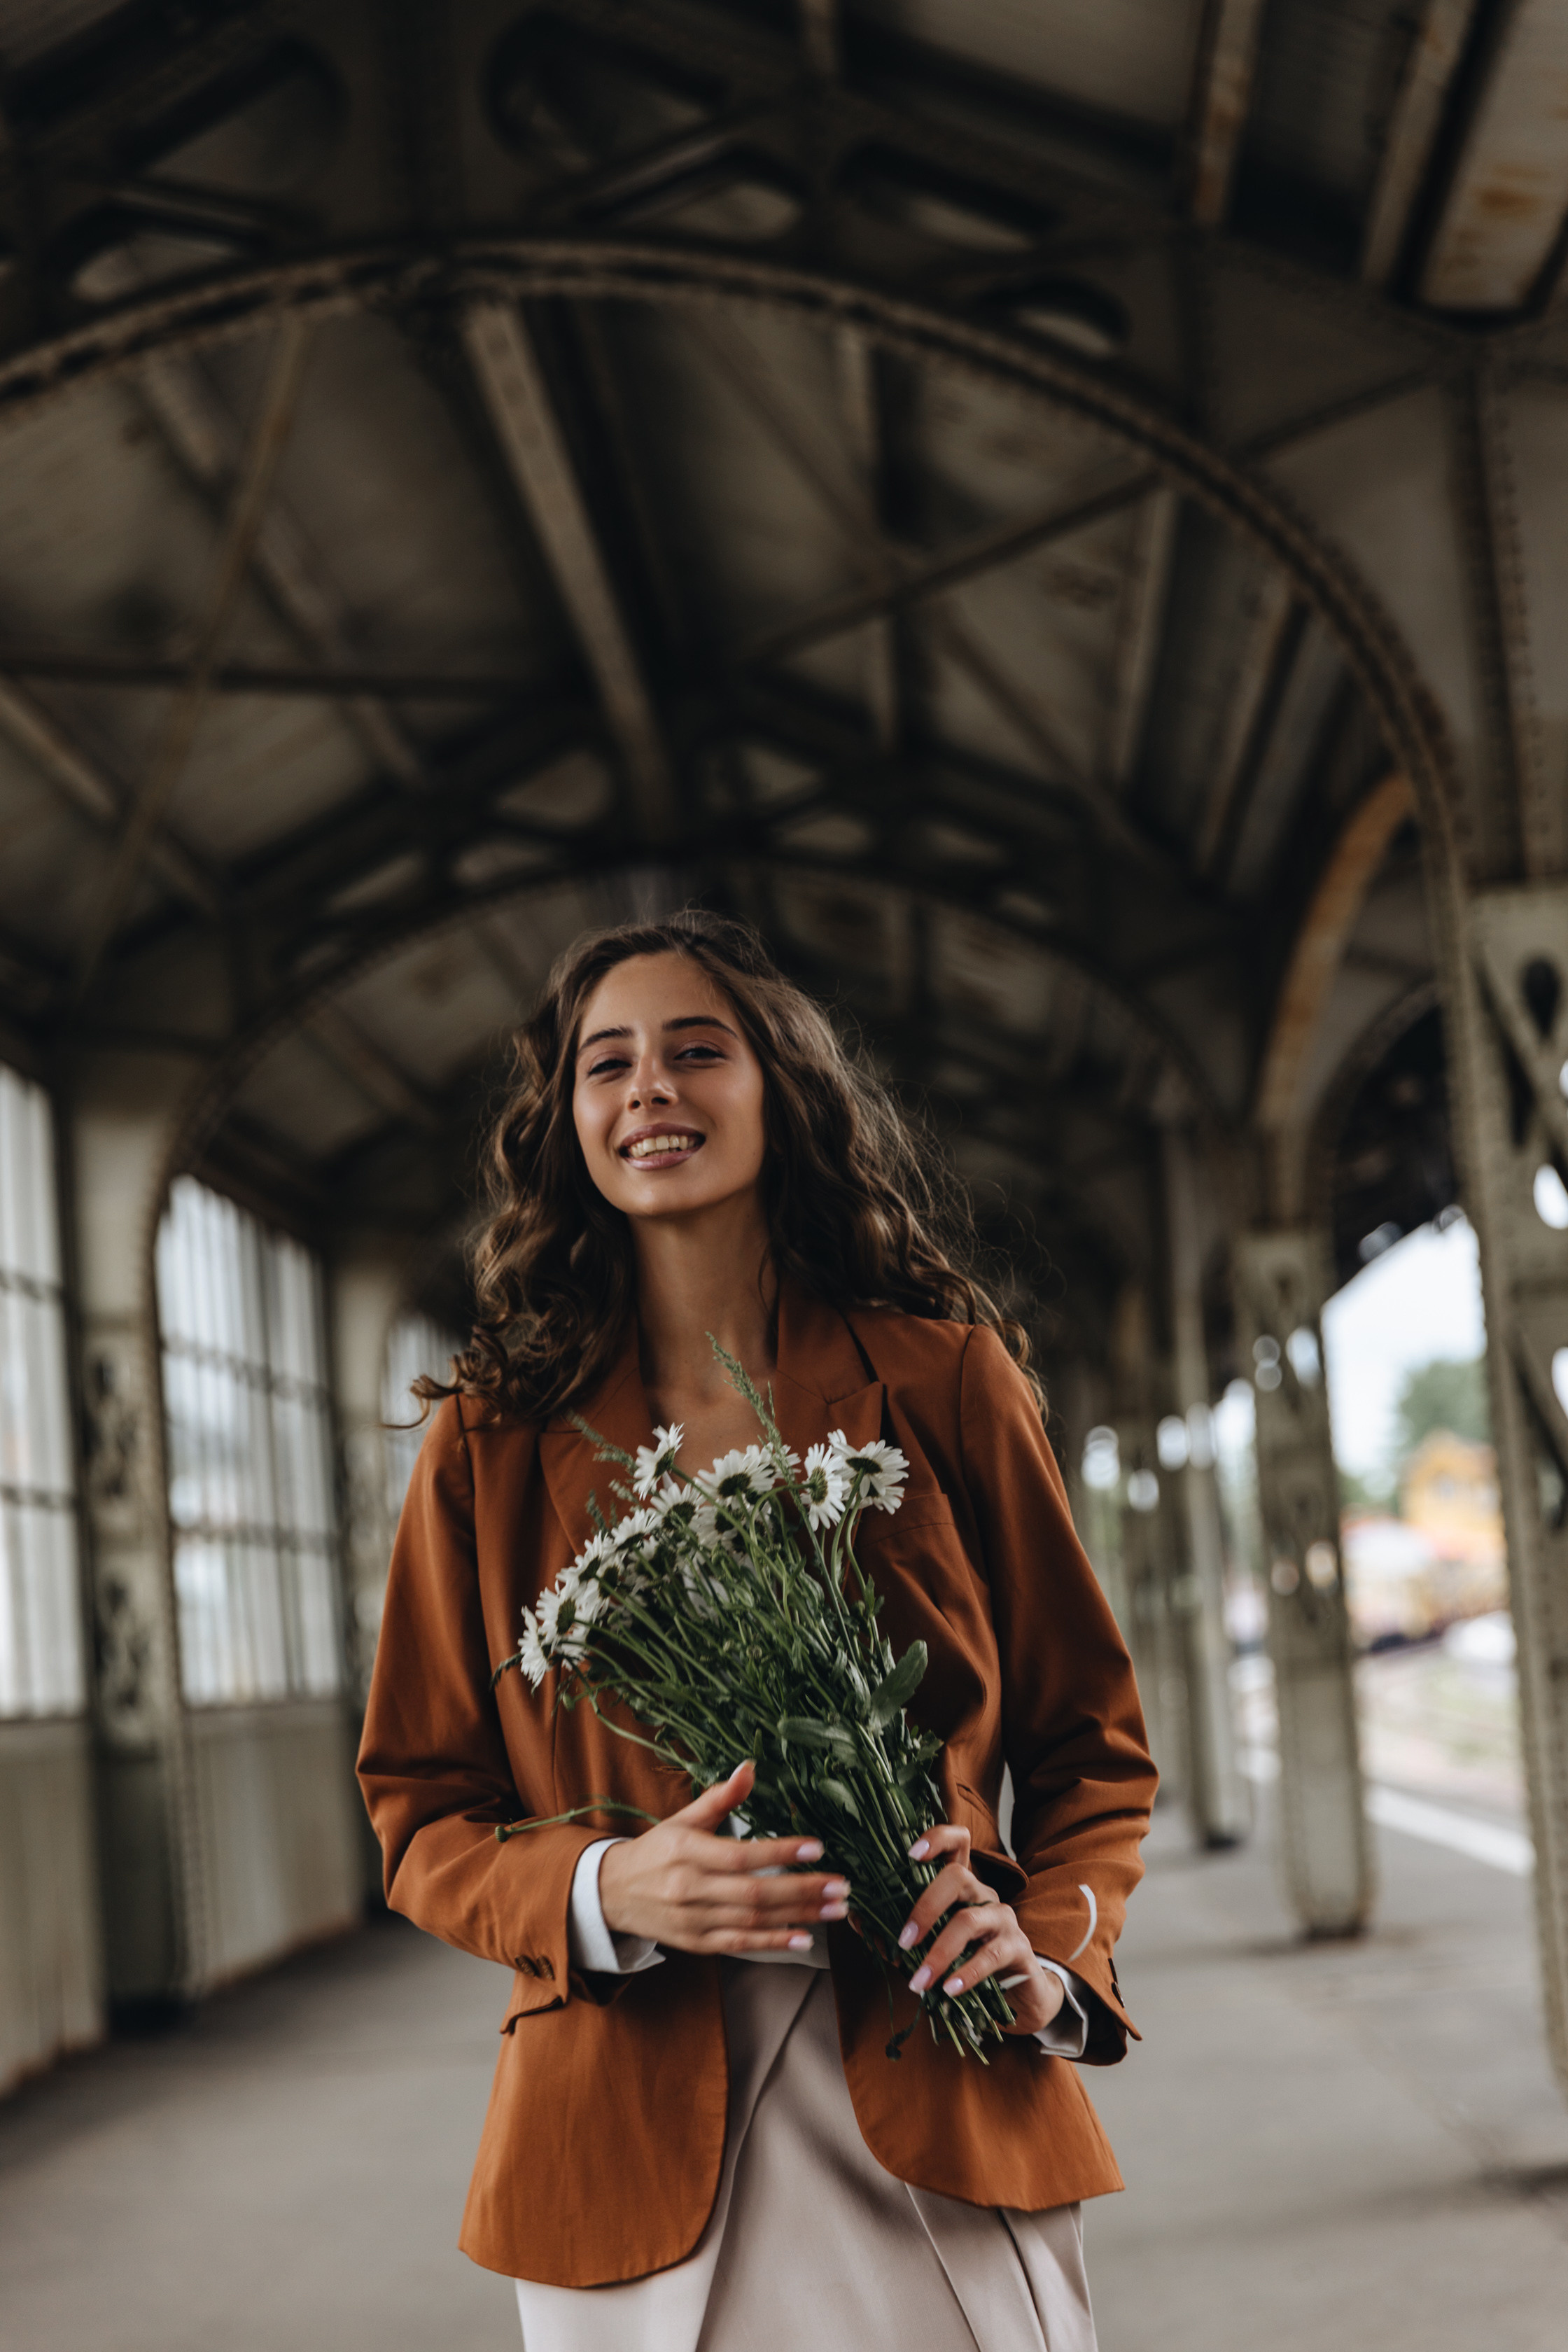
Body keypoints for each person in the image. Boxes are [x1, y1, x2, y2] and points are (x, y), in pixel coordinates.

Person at [358, 910, 1156, 2351]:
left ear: (783, 1093)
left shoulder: (946, 1380)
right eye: (607, 1064)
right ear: (569, 1122)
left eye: (695, 1051)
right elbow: (421, 1819)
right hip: (619, 2147)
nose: (648, 1090)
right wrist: (608, 1891)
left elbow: (1091, 1748)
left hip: (941, 2090)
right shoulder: (481, 1440)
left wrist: (1045, 1958)